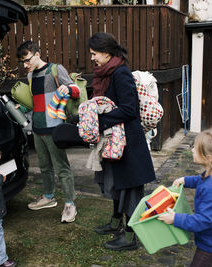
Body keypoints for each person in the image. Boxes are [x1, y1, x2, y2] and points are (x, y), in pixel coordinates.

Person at [87, 32, 156, 251]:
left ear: (106, 53)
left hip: (129, 144)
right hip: (115, 140)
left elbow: (130, 109)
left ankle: (129, 238)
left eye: (94, 53)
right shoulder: (106, 74)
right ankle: (115, 223)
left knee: (131, 191)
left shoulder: (121, 74)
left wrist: (100, 120)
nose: (92, 58)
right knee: (118, 186)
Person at [158, 127, 212, 267]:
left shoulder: (210, 188)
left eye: (195, 148)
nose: (192, 150)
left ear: (208, 158)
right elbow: (201, 179)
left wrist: (175, 218)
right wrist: (186, 180)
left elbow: (203, 220)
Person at [16, 41, 80, 223]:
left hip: (55, 128)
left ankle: (70, 204)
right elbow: (33, 103)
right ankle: (48, 197)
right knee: (44, 167)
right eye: (23, 62)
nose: (25, 65)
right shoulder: (30, 76)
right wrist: (21, 108)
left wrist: (67, 88)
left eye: (27, 60)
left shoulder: (55, 69)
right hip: (37, 128)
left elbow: (75, 91)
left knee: (62, 168)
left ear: (37, 54)